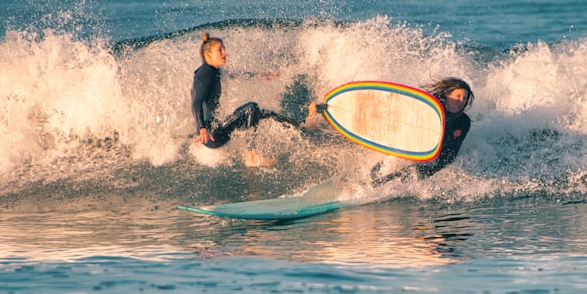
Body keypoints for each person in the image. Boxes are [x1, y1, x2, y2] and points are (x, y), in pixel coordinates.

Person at [305, 76, 471, 184]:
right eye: (457, 96)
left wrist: (428, 170)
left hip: (430, 160)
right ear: (447, 95)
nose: (461, 101)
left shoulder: (463, 122)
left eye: (464, 98)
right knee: (377, 174)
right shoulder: (428, 109)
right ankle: (318, 111)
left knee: (400, 175)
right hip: (405, 148)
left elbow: (450, 155)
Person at [190, 33, 301, 166]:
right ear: (208, 55)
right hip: (212, 133)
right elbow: (196, 102)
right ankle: (251, 156)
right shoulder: (205, 73)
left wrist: (261, 75)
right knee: (251, 108)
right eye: (220, 50)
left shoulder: (214, 71)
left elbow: (234, 75)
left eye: (224, 49)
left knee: (260, 113)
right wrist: (202, 129)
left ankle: (300, 124)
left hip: (215, 129)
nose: (224, 53)